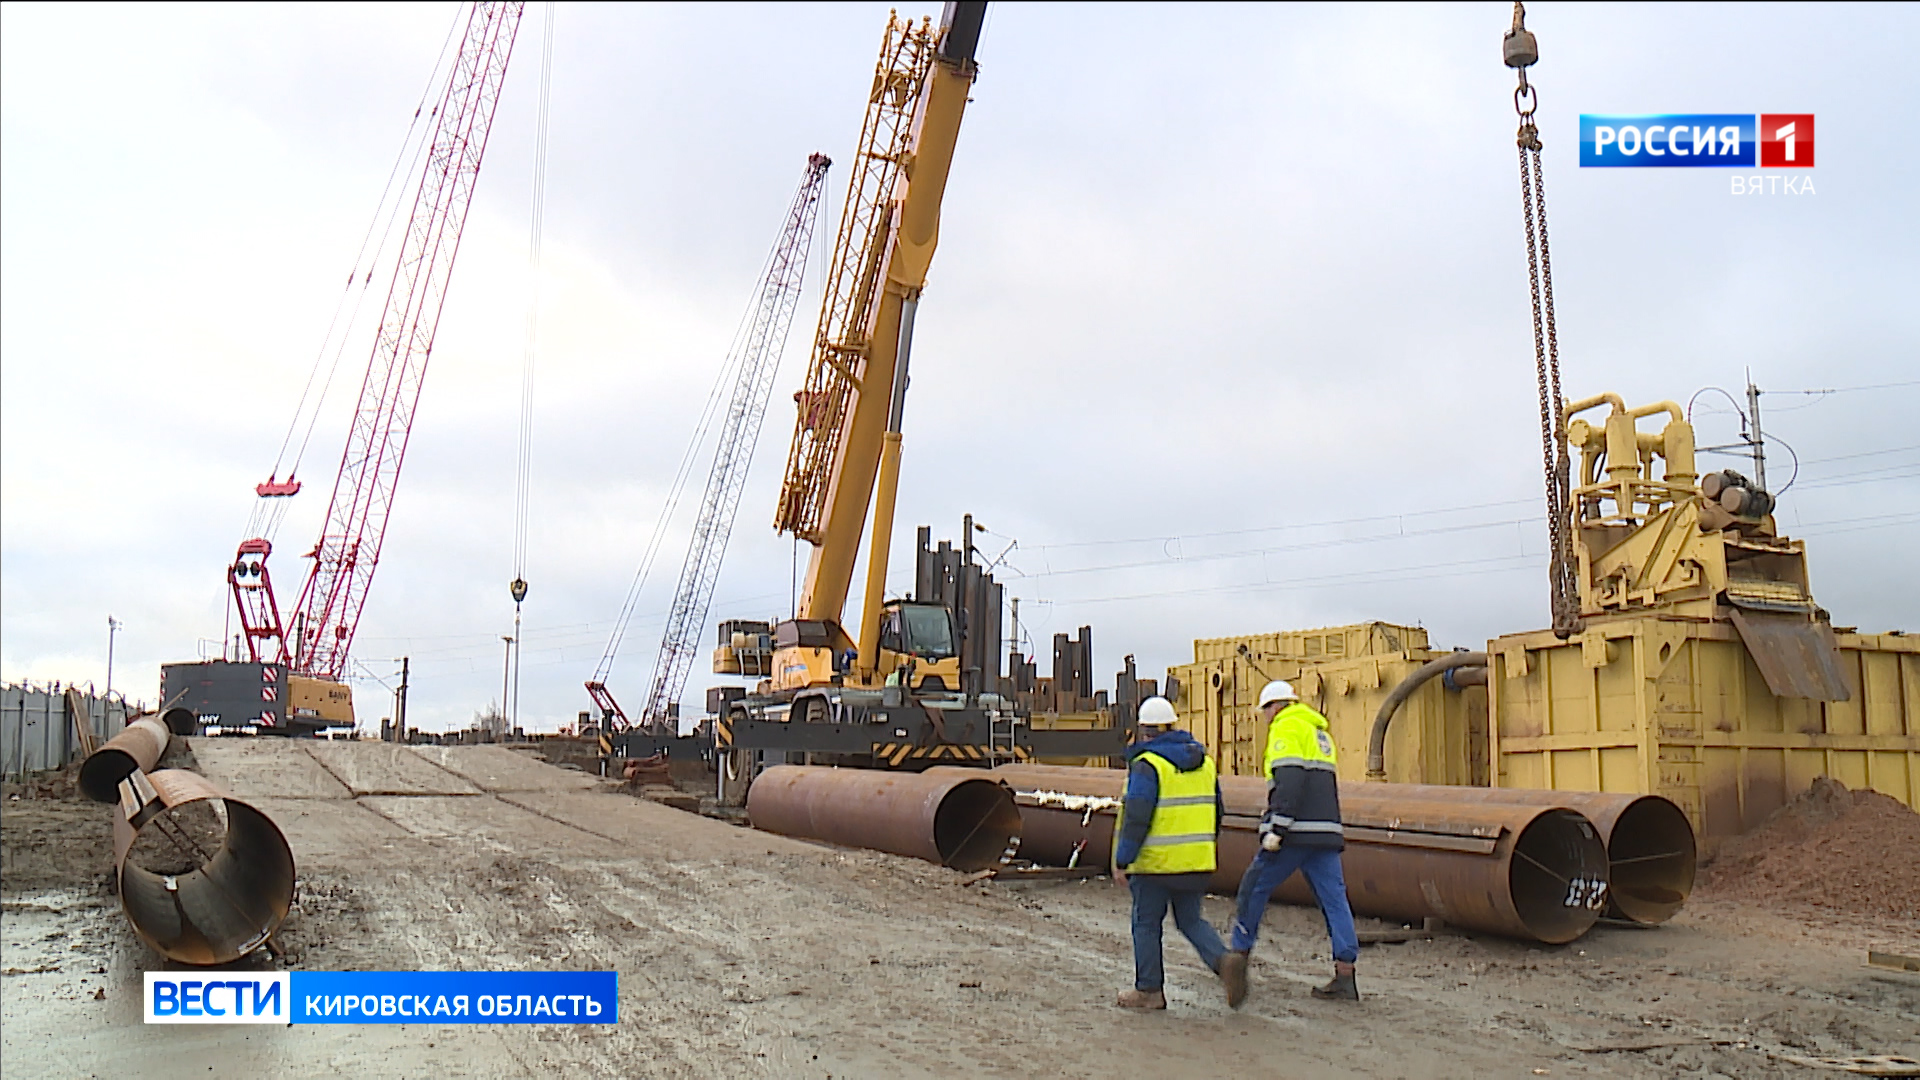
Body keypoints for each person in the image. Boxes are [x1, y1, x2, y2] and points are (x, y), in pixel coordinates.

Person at [1217, 680, 1360, 1006]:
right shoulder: (1319, 732)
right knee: (1335, 902)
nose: (1265, 717)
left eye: (1265, 710)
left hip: (1295, 832)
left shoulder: (1285, 729)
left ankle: (1237, 960)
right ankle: (1346, 975)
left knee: (1253, 887)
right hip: (1326, 832)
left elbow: (1290, 781)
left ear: (1275, 706)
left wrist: (1277, 828)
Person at [1111, 696, 1229, 1010]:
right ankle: (1224, 962)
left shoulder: (1148, 765)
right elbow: (1218, 811)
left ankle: (1149, 991)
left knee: (1146, 923)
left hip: (1155, 865)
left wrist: (1123, 859)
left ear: (1143, 730)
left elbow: (1137, 816)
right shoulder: (1205, 763)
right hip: (1196, 861)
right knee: (1191, 920)